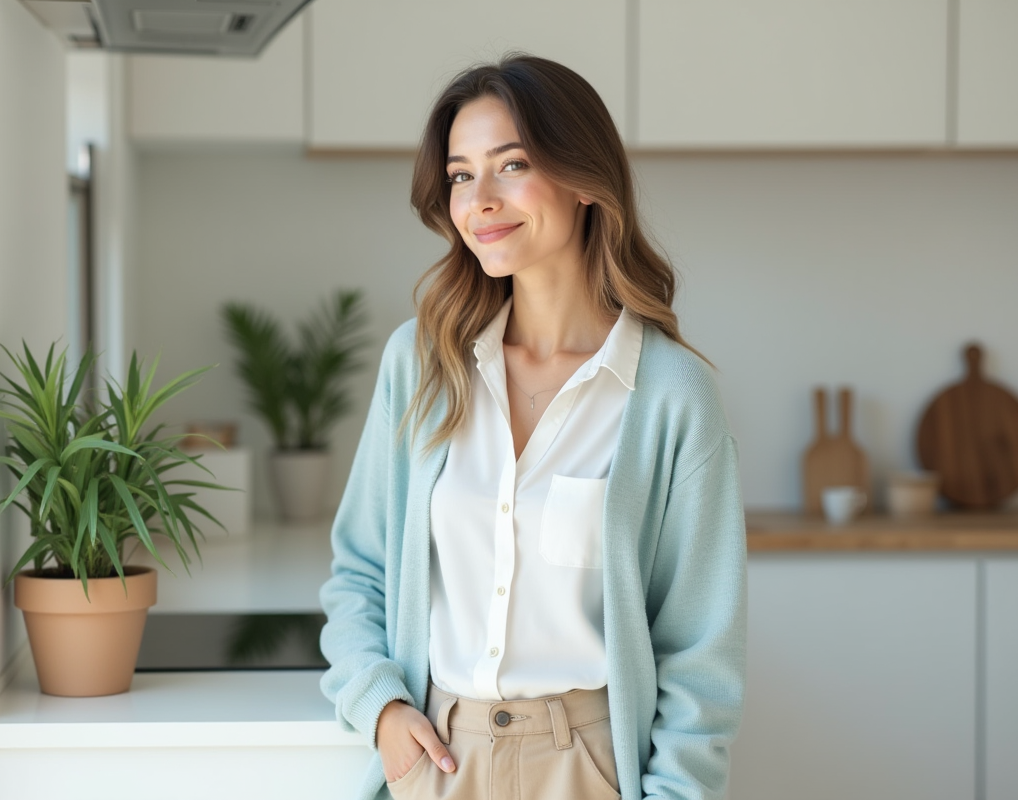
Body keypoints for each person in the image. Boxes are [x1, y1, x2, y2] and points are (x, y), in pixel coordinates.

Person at [319, 53, 747, 800]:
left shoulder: (674, 395)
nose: (479, 199)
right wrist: (379, 703)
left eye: (510, 165)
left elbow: (699, 652)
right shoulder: (419, 365)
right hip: (438, 759)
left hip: (590, 767)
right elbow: (360, 569)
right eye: (459, 174)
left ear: (584, 180)